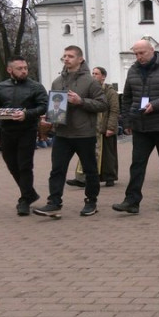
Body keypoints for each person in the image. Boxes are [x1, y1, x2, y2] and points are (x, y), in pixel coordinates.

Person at [33, 45, 107, 218]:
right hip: (63, 134)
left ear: (80, 59)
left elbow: (102, 104)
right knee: (57, 170)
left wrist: (81, 101)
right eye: (64, 56)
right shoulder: (58, 81)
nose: (66, 59)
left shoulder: (90, 81)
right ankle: (54, 203)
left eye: (70, 56)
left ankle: (91, 202)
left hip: (84, 134)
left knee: (90, 170)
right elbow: (56, 107)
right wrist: (50, 117)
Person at [112, 39, 159, 214]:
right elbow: (127, 97)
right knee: (137, 165)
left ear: (152, 50)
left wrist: (156, 105)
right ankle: (132, 201)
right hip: (141, 127)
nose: (138, 57)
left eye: (141, 53)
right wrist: (128, 121)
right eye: (135, 54)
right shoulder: (133, 70)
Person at [0, 55, 48, 215]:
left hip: (27, 130)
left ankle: (25, 200)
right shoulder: (1, 87)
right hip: (6, 131)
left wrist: (27, 114)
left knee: (25, 165)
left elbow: (44, 106)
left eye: (25, 68)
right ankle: (30, 193)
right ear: (10, 70)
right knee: (11, 164)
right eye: (19, 68)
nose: (24, 71)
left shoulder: (35, 86)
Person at [66, 66, 120, 188]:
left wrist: (110, 127)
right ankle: (82, 178)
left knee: (108, 154)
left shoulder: (110, 92)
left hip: (104, 127)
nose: (94, 75)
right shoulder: (89, 89)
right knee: (87, 153)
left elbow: (114, 110)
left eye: (96, 73)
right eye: (93, 73)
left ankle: (109, 177)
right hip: (90, 127)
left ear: (103, 76)